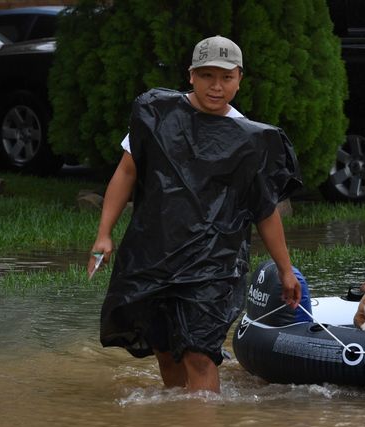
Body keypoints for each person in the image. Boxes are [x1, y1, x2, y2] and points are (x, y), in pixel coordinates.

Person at [88, 35, 302, 393]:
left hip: (213, 262)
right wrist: (103, 233)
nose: (216, 87)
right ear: (191, 75)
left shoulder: (250, 140)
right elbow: (127, 172)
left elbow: (264, 210)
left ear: (239, 79)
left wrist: (284, 269)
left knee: (198, 354)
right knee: (165, 351)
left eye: (226, 77)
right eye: (206, 76)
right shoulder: (157, 115)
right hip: (154, 253)